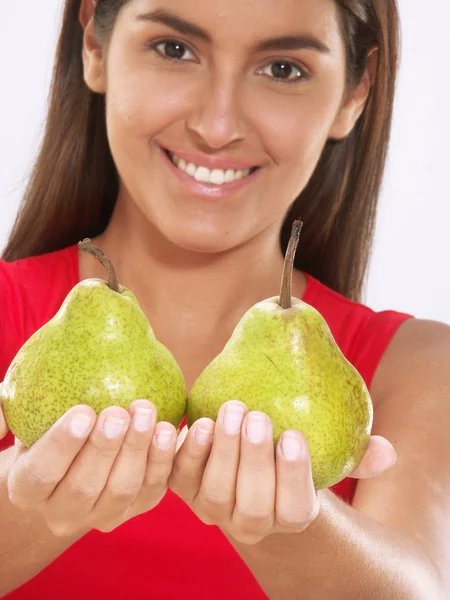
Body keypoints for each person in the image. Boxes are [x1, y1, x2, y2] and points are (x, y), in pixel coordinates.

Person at [0, 0, 448, 598]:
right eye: (174, 49)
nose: (217, 125)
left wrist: (292, 524)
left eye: (283, 68)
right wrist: (24, 505)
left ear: (354, 93)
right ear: (95, 48)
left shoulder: (416, 367)